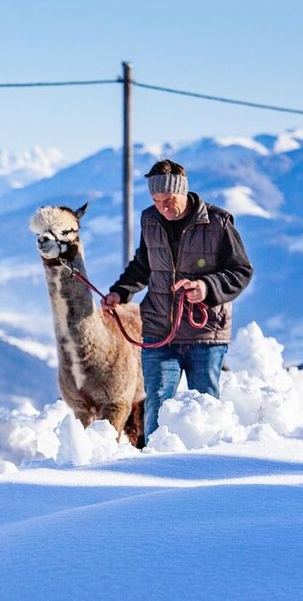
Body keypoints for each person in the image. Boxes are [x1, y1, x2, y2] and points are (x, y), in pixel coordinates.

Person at [101, 159, 253, 440]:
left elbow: (241, 271)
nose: (163, 207)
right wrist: (120, 292)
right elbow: (144, 264)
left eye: (169, 200)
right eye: (156, 200)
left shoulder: (218, 223)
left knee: (205, 412)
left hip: (204, 335)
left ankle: (206, 470)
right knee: (156, 410)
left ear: (183, 191)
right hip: (159, 332)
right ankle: (153, 471)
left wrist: (207, 288)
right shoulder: (150, 219)